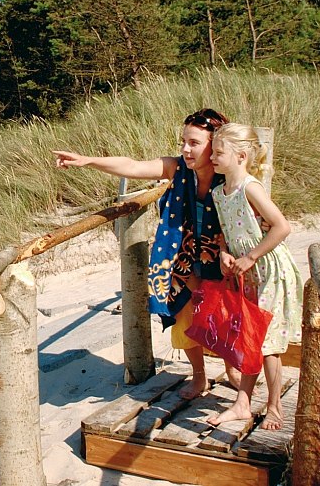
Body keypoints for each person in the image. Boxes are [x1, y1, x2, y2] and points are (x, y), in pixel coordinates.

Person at [53, 108, 241, 399]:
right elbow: (132, 166)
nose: (185, 149)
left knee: (225, 315)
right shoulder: (177, 169)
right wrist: (87, 161)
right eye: (183, 142)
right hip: (183, 258)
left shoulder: (228, 175)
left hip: (223, 256)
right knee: (185, 315)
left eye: (194, 143)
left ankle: (232, 370)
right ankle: (199, 377)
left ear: (215, 145)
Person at [205, 123, 303, 430]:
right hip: (246, 273)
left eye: (218, 153)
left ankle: (274, 406)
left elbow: (281, 227)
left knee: (269, 343)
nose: (212, 158)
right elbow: (226, 232)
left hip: (269, 269)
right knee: (249, 335)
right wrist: (224, 252)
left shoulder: (251, 187)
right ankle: (243, 404)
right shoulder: (219, 193)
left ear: (242, 156)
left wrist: (251, 256)